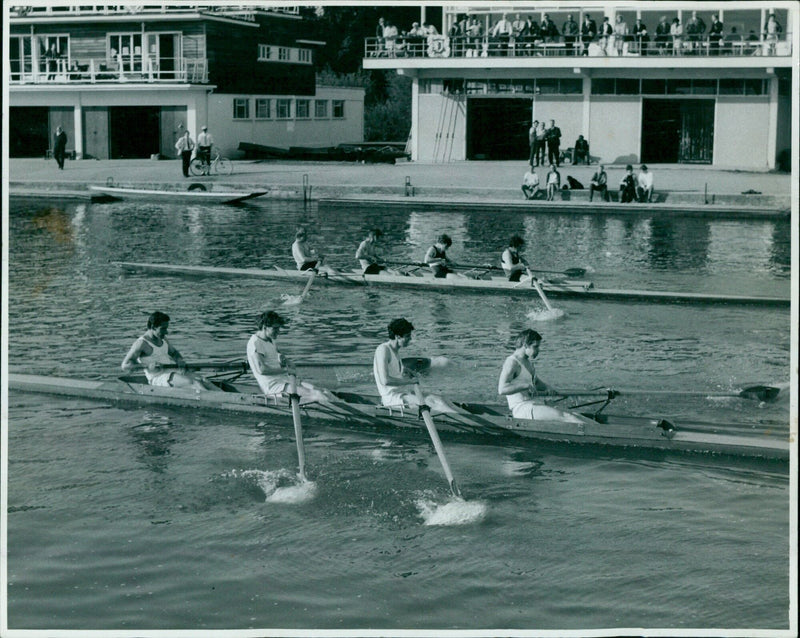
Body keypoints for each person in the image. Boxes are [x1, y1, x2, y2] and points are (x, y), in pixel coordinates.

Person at [498, 329, 588, 423]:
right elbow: (502, 389)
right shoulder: (512, 362)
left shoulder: (528, 362)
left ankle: (603, 431)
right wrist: (526, 386)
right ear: (525, 345)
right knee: (566, 416)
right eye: (535, 347)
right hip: (522, 408)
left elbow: (536, 382)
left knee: (575, 415)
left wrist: (548, 388)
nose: (538, 350)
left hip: (533, 404)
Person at [247, 310, 333, 404]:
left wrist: (284, 359)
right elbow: (262, 370)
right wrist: (286, 370)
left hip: (284, 379)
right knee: (317, 395)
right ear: (264, 327)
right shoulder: (255, 343)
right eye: (275, 329)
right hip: (273, 386)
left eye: (279, 328)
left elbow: (276, 353)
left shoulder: (270, 339)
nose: (278, 332)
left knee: (324, 391)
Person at [374, 318, 456, 415]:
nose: (410, 339)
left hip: (402, 393)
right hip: (392, 398)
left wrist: (406, 371)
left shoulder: (395, 352)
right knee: (433, 402)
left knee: (441, 399)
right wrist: (410, 381)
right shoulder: (383, 350)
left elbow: (394, 371)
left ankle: (467, 417)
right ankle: (465, 422)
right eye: (407, 336)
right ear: (397, 336)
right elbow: (385, 381)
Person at [121, 311, 218, 391]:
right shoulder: (141, 343)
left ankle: (229, 398)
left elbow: (174, 353)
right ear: (153, 327)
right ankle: (217, 402)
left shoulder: (163, 338)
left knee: (204, 380)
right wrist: (147, 366)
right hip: (158, 378)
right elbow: (125, 366)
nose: (166, 332)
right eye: (163, 329)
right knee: (194, 383)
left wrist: (179, 360)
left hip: (171, 372)